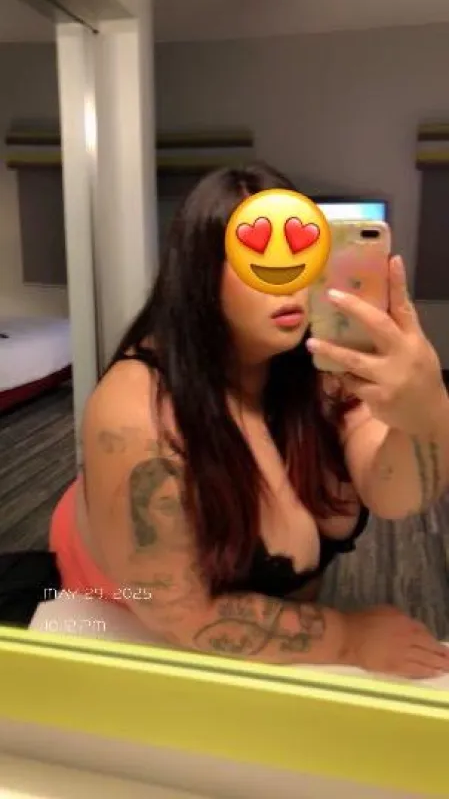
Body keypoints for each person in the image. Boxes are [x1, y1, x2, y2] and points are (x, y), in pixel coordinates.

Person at [50, 162, 449, 679]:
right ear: (200, 274)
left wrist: (425, 413)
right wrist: (348, 639)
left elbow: (396, 495)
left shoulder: (318, 369)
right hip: (124, 617)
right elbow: (180, 614)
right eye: (255, 257)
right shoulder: (135, 413)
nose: (285, 281)